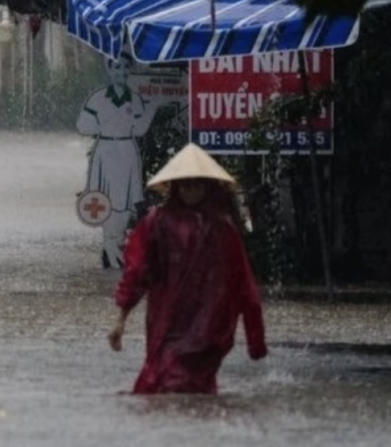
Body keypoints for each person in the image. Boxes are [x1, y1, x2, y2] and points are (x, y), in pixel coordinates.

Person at [109, 145, 267, 395]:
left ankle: (194, 428)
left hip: (210, 320)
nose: (191, 191)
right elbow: (138, 271)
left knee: (189, 382)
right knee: (163, 378)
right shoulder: (157, 223)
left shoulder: (222, 229)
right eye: (185, 185)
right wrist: (121, 320)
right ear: (176, 187)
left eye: (197, 185)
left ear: (207, 187)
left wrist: (255, 339)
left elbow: (243, 283)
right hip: (167, 317)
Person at [77, 60, 155, 269]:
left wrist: (153, 108)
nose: (121, 71)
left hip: (127, 152)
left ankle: (115, 245)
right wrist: (104, 125)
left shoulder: (135, 100)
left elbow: (139, 128)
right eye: (116, 67)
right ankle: (109, 246)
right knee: (105, 200)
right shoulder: (98, 98)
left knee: (126, 201)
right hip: (105, 151)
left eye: (124, 67)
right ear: (109, 71)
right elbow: (82, 125)